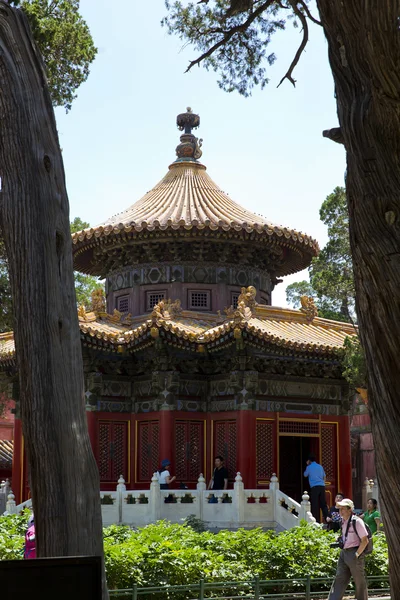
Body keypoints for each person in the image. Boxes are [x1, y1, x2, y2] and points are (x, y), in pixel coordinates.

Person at [328, 498, 369, 600]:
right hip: (344, 553)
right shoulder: (343, 521)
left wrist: (357, 554)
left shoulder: (357, 521)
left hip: (354, 552)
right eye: (339, 509)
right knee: (339, 578)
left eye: (343, 509)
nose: (340, 511)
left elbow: (365, 541)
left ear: (350, 509)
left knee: (359, 581)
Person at [303, 454, 329, 522]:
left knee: (315, 504)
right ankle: (327, 519)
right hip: (322, 486)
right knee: (323, 504)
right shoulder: (320, 466)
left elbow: (305, 475)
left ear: (309, 461)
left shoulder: (309, 467)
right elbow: (324, 476)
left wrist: (307, 466)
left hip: (314, 487)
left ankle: (316, 520)